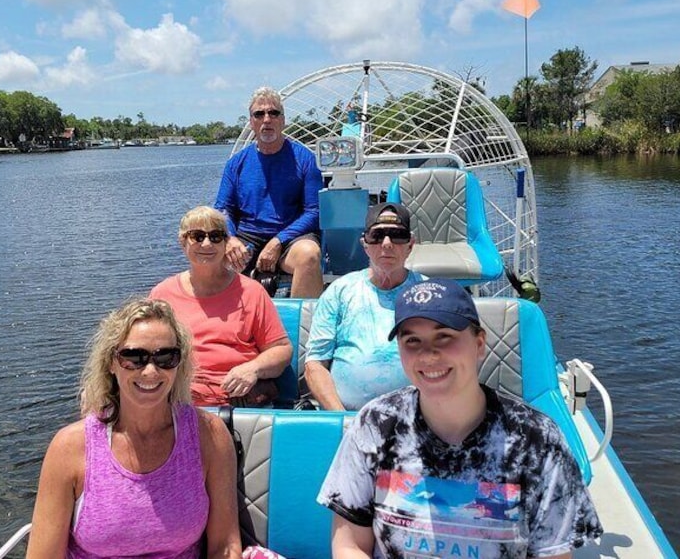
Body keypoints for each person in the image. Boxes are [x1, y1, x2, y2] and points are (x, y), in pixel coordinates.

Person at [317, 278, 603, 558]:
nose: (428, 355)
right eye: (412, 340)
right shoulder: (374, 425)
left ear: (479, 344)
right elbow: (350, 546)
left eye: (445, 337)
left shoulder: (538, 439)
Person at [26, 298, 241, 558]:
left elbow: (224, 546)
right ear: (111, 364)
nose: (150, 371)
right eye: (133, 358)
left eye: (165, 357)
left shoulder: (210, 435)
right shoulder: (69, 448)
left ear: (179, 363)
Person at [150, 206, 292, 407]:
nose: (206, 243)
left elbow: (282, 350)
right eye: (197, 236)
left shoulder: (251, 292)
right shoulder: (162, 295)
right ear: (183, 243)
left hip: (236, 401)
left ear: (226, 243)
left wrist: (253, 368)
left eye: (216, 236)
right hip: (176, 400)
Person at [304, 203, 425, 410]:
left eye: (397, 235)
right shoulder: (339, 291)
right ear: (365, 244)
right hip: (349, 420)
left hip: (418, 419)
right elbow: (315, 363)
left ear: (410, 245)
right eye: (377, 236)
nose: (386, 244)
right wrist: (341, 419)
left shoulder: (428, 292)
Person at [214, 86, 324, 299]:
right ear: (251, 122)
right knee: (211, 255)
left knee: (309, 255)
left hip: (290, 238)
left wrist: (278, 241)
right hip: (247, 237)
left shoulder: (305, 159)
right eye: (259, 114)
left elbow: (314, 211)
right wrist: (231, 238)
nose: (267, 119)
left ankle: (303, 327)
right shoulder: (236, 163)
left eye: (273, 113)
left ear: (283, 120)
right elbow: (223, 209)